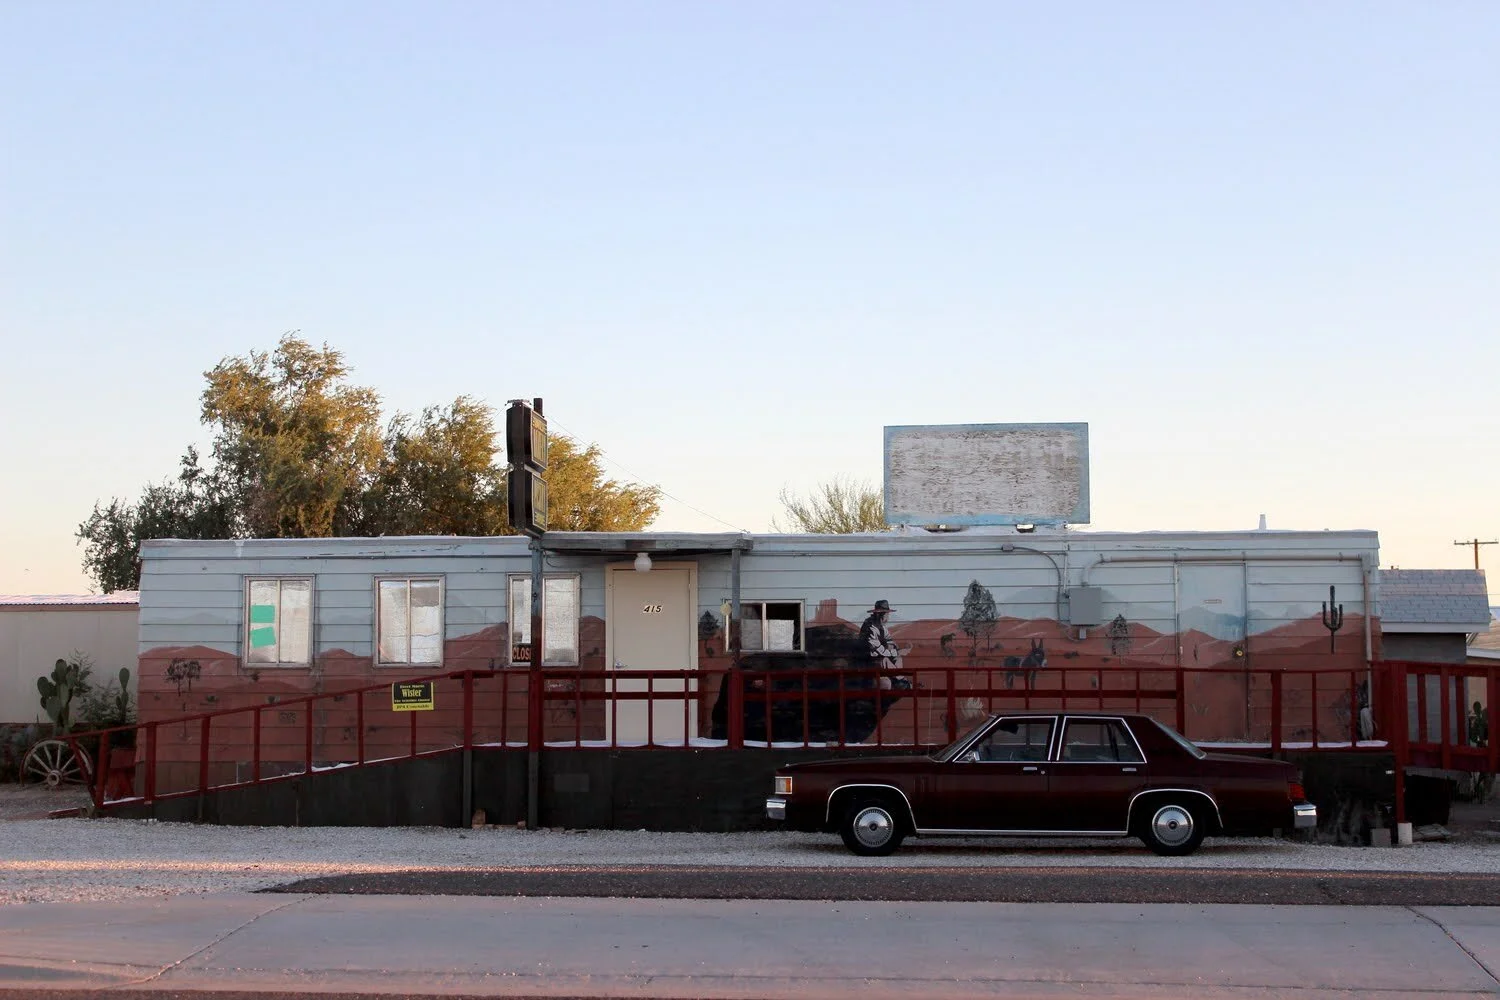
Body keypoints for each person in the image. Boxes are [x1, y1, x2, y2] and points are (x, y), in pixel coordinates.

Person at [859, 599, 911, 690]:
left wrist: (894, 648)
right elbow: (878, 651)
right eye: (887, 614)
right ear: (881, 615)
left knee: (897, 658)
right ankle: (900, 681)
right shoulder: (870, 628)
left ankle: (900, 680)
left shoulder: (881, 627)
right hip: (868, 661)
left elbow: (889, 640)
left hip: (879, 657)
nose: (888, 617)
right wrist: (897, 652)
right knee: (885, 660)